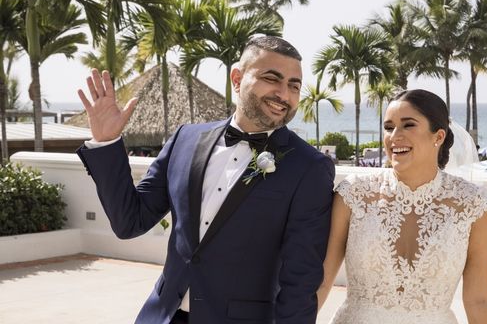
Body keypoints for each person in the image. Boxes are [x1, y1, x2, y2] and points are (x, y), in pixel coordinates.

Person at [76, 36, 335, 324]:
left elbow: (300, 280)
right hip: (162, 316)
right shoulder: (185, 139)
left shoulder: (309, 168)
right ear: (237, 79)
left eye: (294, 86)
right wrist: (106, 142)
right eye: (271, 78)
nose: (283, 94)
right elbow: (130, 221)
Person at [317, 89, 487, 324]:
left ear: (439, 136)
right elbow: (320, 280)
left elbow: (480, 298)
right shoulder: (353, 194)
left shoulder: (474, 205)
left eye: (408, 125)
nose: (394, 136)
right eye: (389, 127)